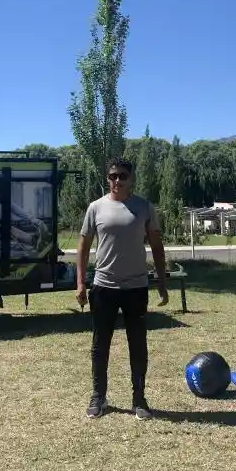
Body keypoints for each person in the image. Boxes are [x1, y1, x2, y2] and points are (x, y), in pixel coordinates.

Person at [76, 157, 169, 420]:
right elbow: (83, 247)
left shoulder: (143, 207)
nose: (117, 180)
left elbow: (157, 246)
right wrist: (81, 282)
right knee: (100, 345)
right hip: (104, 286)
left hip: (136, 287)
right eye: (113, 176)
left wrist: (161, 281)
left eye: (123, 176)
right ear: (108, 179)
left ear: (131, 179)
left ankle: (139, 399)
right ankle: (99, 397)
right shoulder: (96, 208)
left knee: (137, 345)